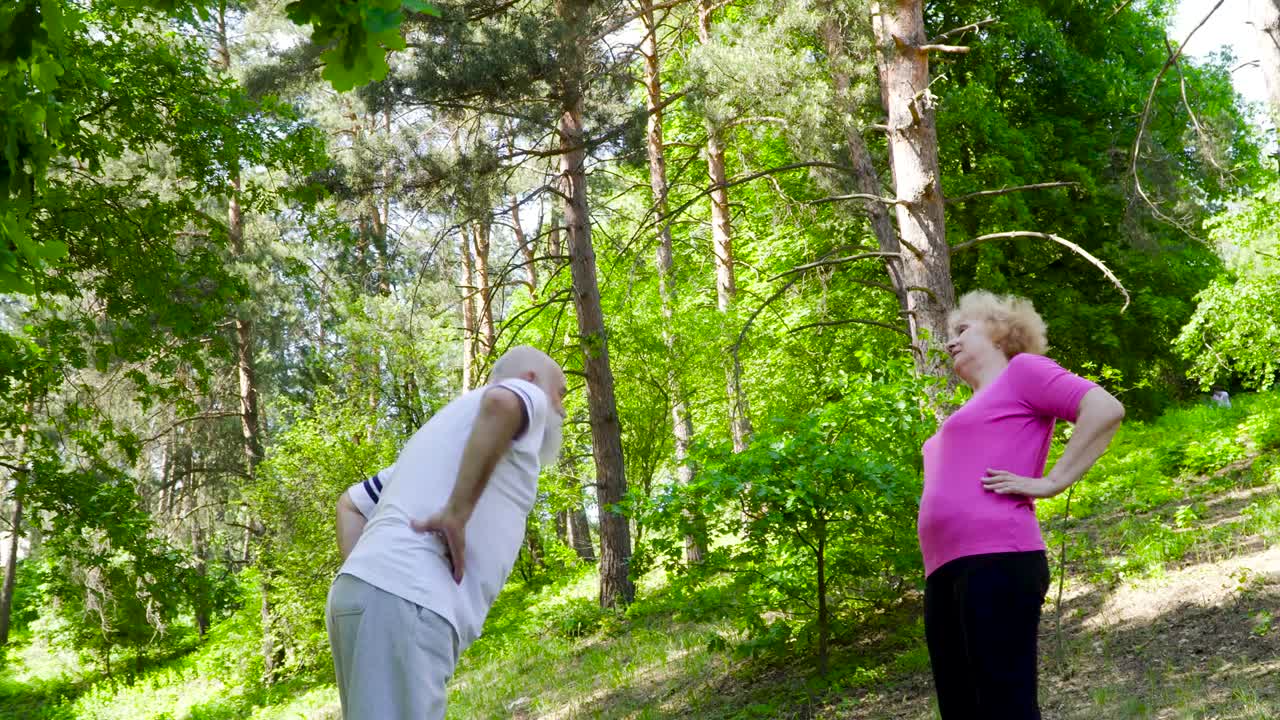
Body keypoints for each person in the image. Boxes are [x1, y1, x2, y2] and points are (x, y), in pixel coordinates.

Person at [326, 345, 568, 719]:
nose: (563, 409)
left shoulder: (441, 437)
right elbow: (504, 404)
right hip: (411, 599)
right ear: (531, 380)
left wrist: (371, 575)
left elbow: (351, 504)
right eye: (561, 393)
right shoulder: (524, 393)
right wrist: (457, 512)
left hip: (362, 598)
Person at [919, 291, 1125, 719]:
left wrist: (1053, 482)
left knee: (1005, 707)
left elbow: (1104, 408)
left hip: (998, 559)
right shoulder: (966, 411)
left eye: (961, 330)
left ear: (999, 333)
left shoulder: (1023, 373)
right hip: (943, 572)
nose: (949, 342)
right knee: (961, 710)